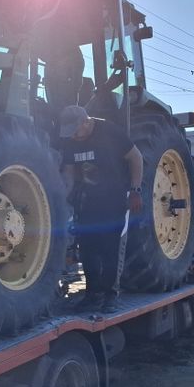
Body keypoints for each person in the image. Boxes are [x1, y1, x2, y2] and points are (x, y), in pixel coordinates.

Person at [59, 105, 144, 314]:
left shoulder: (110, 132)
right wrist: (65, 197)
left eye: (76, 131)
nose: (74, 137)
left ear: (86, 122)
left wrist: (135, 190)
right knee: (88, 250)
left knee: (109, 250)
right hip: (87, 202)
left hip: (113, 201)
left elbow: (136, 158)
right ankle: (92, 295)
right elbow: (69, 173)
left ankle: (110, 296)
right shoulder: (71, 141)